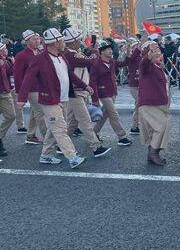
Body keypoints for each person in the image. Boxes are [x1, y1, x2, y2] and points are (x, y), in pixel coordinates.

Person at [17, 28, 93, 169]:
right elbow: (28, 78)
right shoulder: (40, 59)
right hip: (49, 99)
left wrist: (84, 86)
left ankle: (46, 155)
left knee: (53, 129)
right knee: (60, 128)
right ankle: (72, 157)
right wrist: (21, 99)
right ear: (56, 43)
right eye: (62, 40)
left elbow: (69, 75)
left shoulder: (61, 56)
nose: (65, 42)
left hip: (63, 98)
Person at [61, 28, 110, 158]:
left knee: (72, 122)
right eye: (78, 39)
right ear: (72, 41)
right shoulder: (70, 54)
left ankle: (59, 145)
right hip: (76, 92)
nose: (80, 41)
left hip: (78, 91)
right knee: (85, 120)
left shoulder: (73, 52)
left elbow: (86, 59)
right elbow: (91, 60)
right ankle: (96, 147)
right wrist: (94, 50)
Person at [90, 40, 133, 146]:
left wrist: (128, 52)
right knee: (114, 115)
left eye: (110, 49)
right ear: (101, 52)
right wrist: (95, 99)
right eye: (108, 49)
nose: (110, 51)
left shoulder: (112, 62)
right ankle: (122, 137)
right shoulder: (96, 65)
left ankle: (93, 134)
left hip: (113, 92)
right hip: (103, 93)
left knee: (105, 115)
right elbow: (92, 83)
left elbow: (124, 63)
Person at [138, 41, 170, 166]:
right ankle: (153, 153)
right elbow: (144, 62)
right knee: (160, 127)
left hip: (160, 102)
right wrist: (150, 53)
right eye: (153, 50)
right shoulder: (145, 66)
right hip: (149, 103)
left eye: (158, 49)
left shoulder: (157, 66)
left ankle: (152, 153)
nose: (157, 52)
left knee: (157, 129)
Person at [13, 30, 47, 145]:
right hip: (31, 88)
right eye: (34, 39)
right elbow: (17, 75)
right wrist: (20, 94)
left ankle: (31, 135)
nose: (37, 41)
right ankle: (49, 139)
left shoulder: (41, 52)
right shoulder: (21, 56)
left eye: (38, 38)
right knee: (40, 112)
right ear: (27, 41)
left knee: (34, 112)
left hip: (42, 86)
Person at [0, 42, 16, 157]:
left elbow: (10, 73)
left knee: (11, 116)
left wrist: (13, 64)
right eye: (4, 48)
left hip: (5, 93)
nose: (6, 50)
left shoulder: (5, 61)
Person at [124, 38, 143, 135]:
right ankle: (134, 125)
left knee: (138, 104)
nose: (138, 48)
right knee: (140, 103)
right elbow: (130, 56)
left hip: (141, 84)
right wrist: (130, 49)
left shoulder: (140, 57)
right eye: (136, 46)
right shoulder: (131, 57)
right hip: (133, 85)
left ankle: (135, 126)